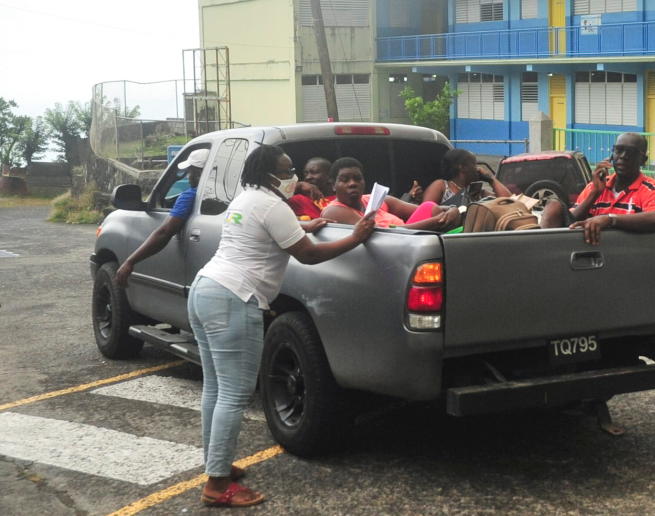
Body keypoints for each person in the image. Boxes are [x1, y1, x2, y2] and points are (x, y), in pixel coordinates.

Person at [188, 145, 375, 507]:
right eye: (288, 170)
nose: (296, 177)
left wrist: (304, 225)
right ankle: (217, 485)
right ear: (270, 174)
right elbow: (307, 255)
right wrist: (355, 237)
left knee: (215, 387)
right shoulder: (273, 205)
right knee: (234, 393)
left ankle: (217, 464)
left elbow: (268, 232)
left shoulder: (248, 198)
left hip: (206, 290)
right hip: (234, 298)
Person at [540, 133, 655, 245]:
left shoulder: (650, 188)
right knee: (553, 205)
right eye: (619, 150)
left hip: (626, 253)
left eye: (630, 152)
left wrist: (610, 219)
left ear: (643, 160)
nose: (623, 156)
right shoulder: (595, 186)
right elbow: (572, 220)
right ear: (612, 155)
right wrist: (595, 193)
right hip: (589, 253)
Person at [114, 148, 209, 288]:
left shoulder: (189, 196)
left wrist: (130, 262)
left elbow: (165, 232)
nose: (188, 177)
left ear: (198, 174)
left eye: (190, 172)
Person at [322, 157, 461, 230]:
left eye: (357, 179)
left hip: (413, 241)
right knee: (429, 207)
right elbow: (385, 234)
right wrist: (437, 221)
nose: (352, 183)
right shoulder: (334, 210)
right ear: (333, 185)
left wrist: (452, 210)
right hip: (392, 247)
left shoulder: (375, 199)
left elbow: (420, 210)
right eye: (344, 180)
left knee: (430, 207)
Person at [421, 148, 511, 206]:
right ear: (462, 167)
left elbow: (509, 202)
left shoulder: (477, 192)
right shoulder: (441, 186)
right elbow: (426, 211)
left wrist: (491, 179)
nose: (478, 168)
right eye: (474, 164)